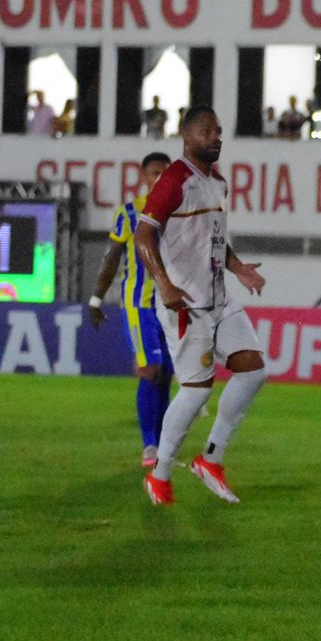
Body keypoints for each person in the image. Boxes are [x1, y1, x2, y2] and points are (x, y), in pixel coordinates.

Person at [133, 107, 269, 505]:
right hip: (185, 306)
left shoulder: (217, 183)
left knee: (253, 370)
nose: (216, 137)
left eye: (219, 131)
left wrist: (238, 266)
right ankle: (159, 475)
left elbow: (212, 239)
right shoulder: (174, 179)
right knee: (195, 391)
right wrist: (164, 283)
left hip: (218, 299)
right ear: (187, 137)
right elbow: (144, 235)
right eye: (207, 131)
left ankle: (210, 459)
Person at [88, 152, 174, 467]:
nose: (161, 177)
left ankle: (163, 443)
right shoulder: (129, 213)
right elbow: (112, 257)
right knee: (149, 370)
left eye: (166, 172)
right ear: (144, 177)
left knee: (165, 375)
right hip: (139, 305)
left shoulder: (180, 214)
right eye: (155, 172)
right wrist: (96, 299)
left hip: (171, 306)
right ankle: (149, 446)